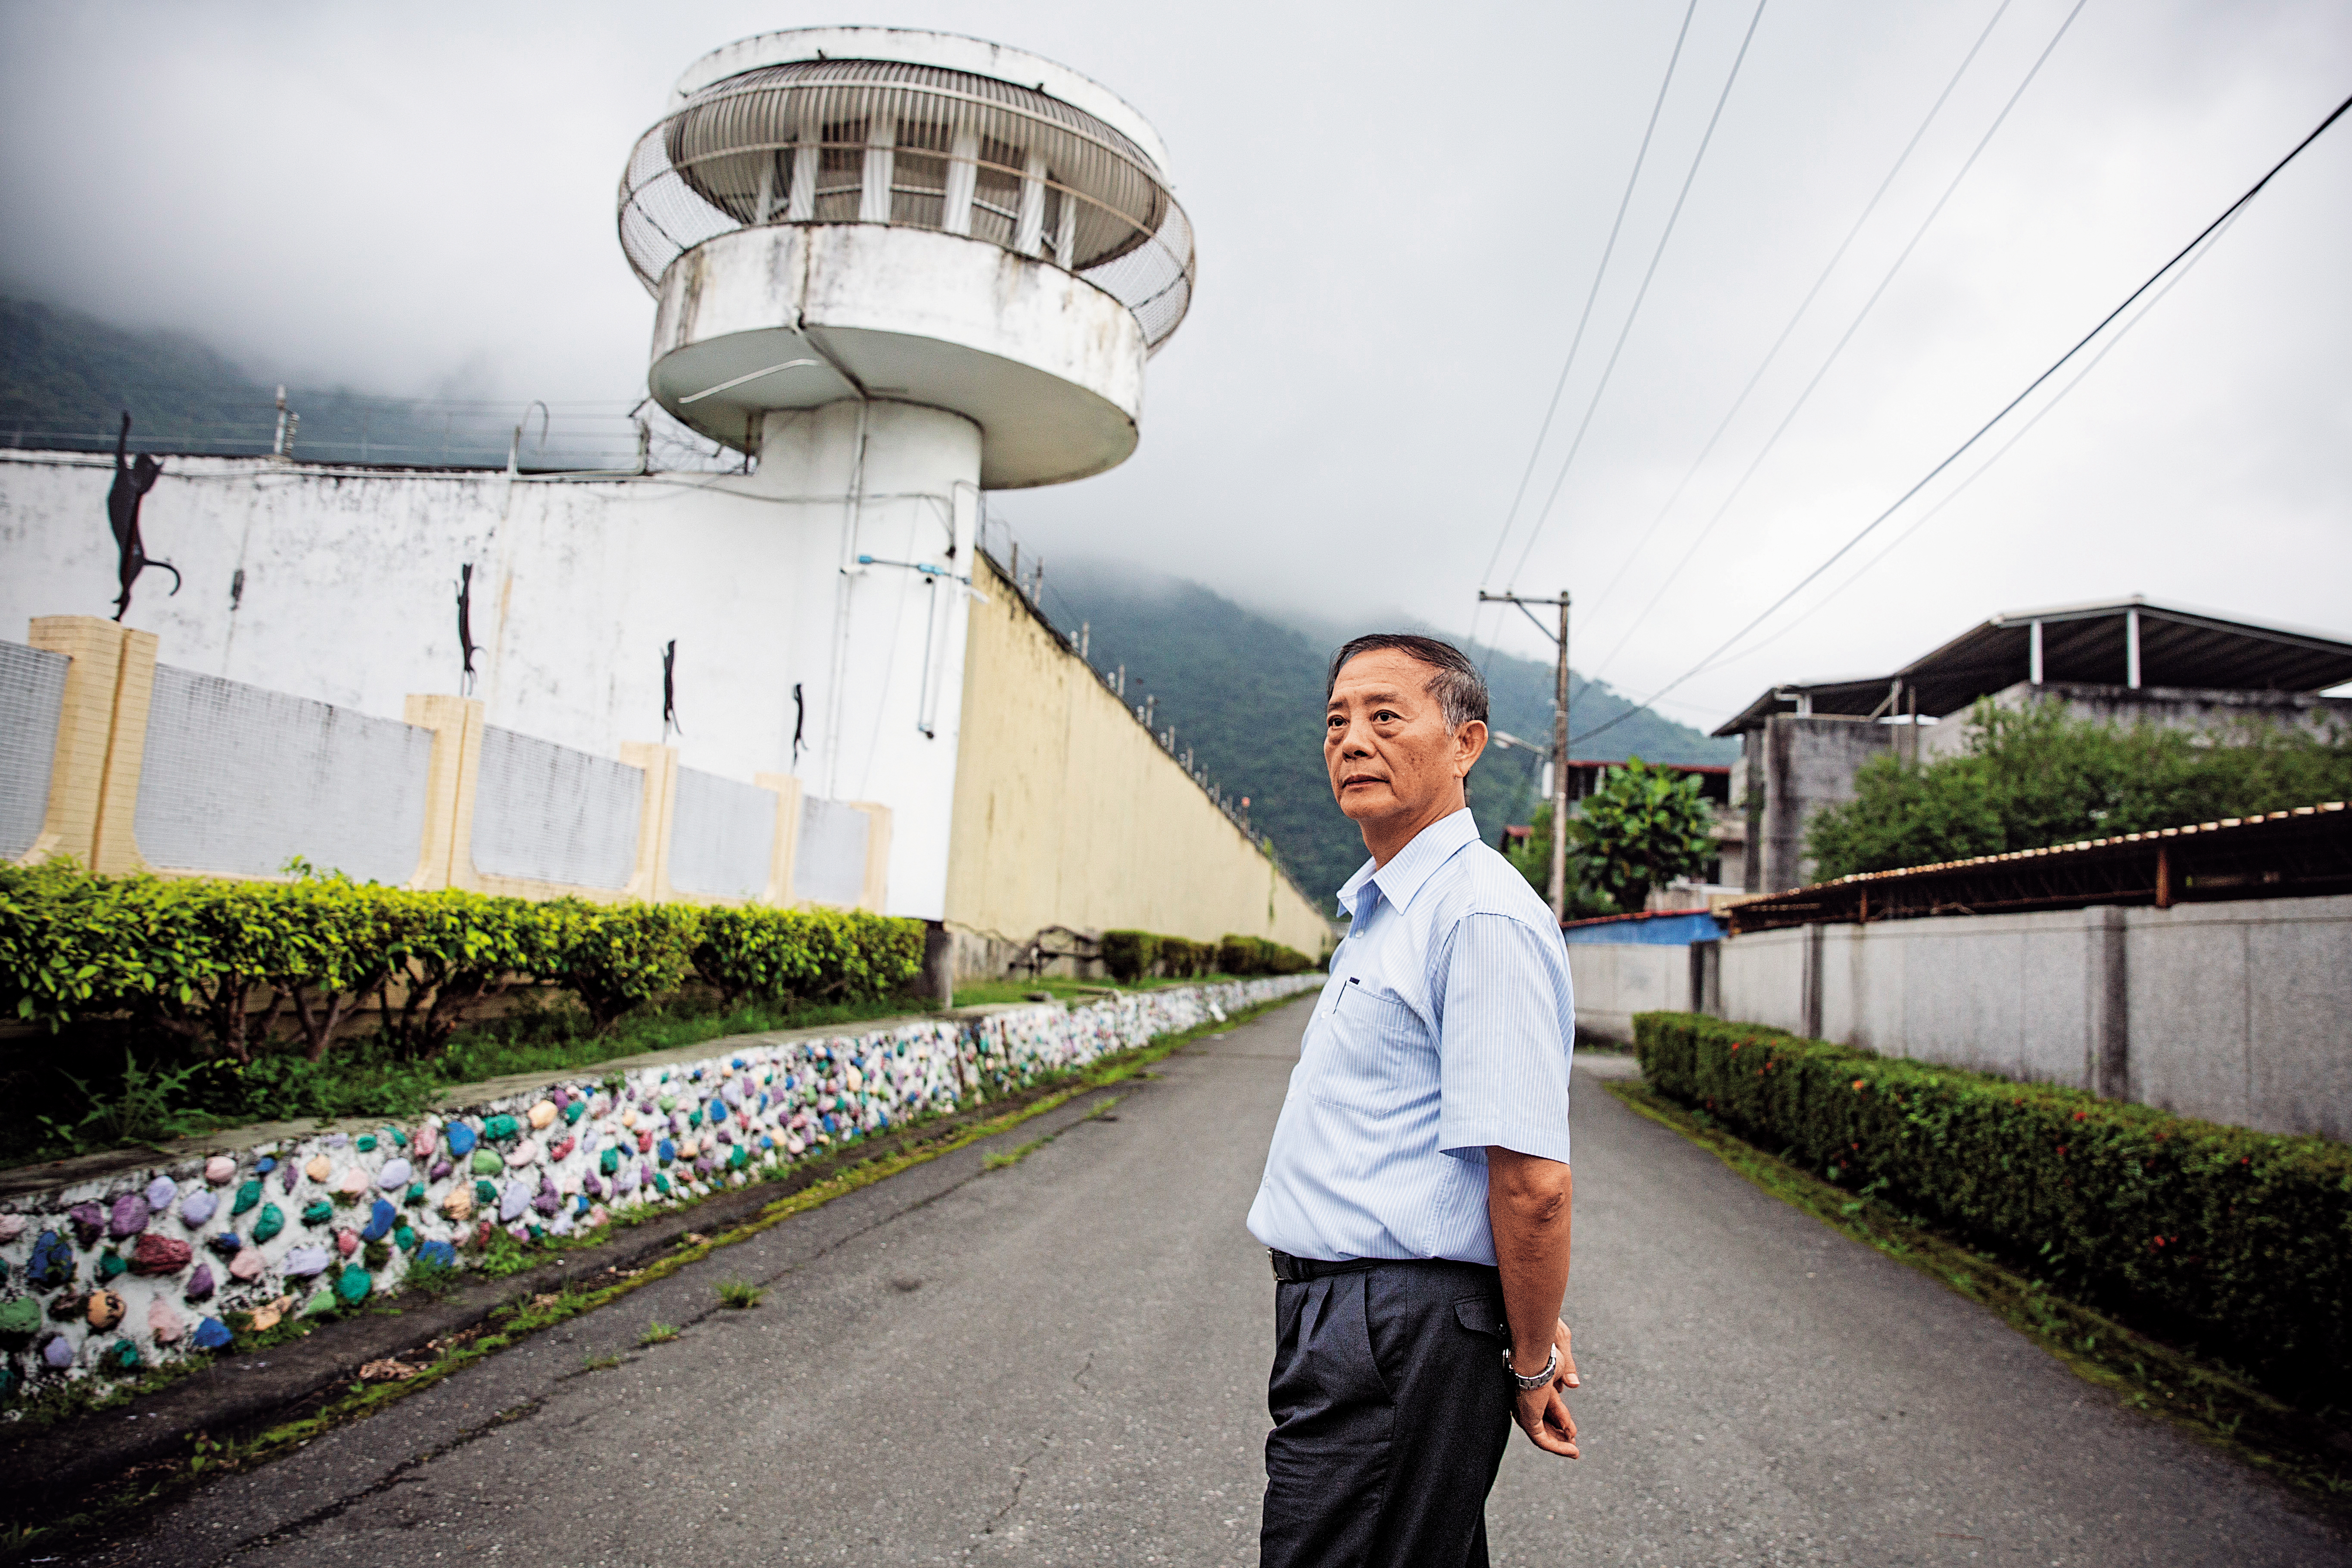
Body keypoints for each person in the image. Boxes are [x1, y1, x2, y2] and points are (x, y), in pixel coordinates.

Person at [1248, 633, 1579, 1568]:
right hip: (1366, 1322)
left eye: (1386, 715)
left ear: (1466, 743)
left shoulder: (1477, 914)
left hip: (1392, 1333)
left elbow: (1532, 1184)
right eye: (1337, 721)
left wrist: (1529, 1357)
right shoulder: (1390, 908)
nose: (1352, 739)